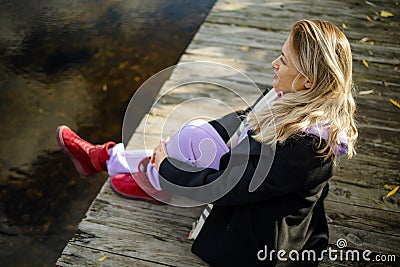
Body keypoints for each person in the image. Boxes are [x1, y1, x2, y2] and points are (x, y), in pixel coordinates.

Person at [56, 19, 357, 266]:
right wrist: (200, 138)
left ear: (308, 80)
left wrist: (169, 168)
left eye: (284, 60)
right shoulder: (292, 98)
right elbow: (245, 119)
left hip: (261, 235)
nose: (273, 63)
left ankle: (132, 170)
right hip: (248, 172)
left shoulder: (308, 149)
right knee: (194, 133)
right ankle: (110, 159)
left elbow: (229, 186)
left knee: (185, 143)